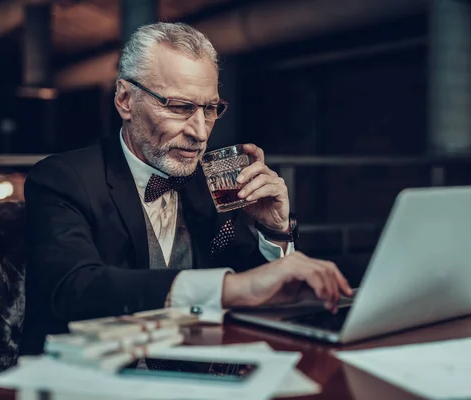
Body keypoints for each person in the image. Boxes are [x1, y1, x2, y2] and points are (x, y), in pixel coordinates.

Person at [20, 22, 352, 355]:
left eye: (210, 109)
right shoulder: (62, 178)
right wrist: (229, 287)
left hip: (196, 370)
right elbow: (75, 288)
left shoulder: (214, 184)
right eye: (180, 107)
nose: (201, 132)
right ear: (124, 99)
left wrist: (273, 231)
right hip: (88, 373)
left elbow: (255, 289)